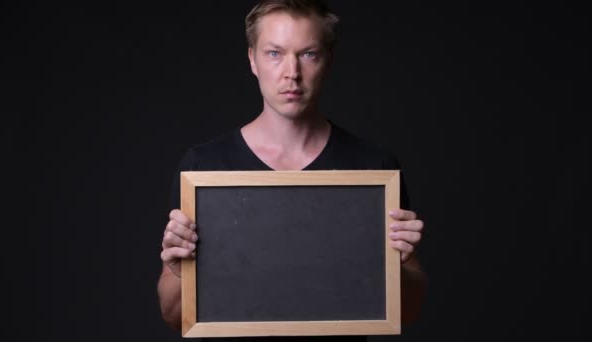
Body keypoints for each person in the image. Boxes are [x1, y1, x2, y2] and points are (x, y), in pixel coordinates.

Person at [157, 0, 426, 339]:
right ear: (252, 59)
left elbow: (410, 311)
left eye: (308, 54)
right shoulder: (204, 167)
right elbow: (172, 316)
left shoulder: (374, 167)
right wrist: (178, 270)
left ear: (328, 60)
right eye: (274, 53)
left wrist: (400, 262)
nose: (292, 73)